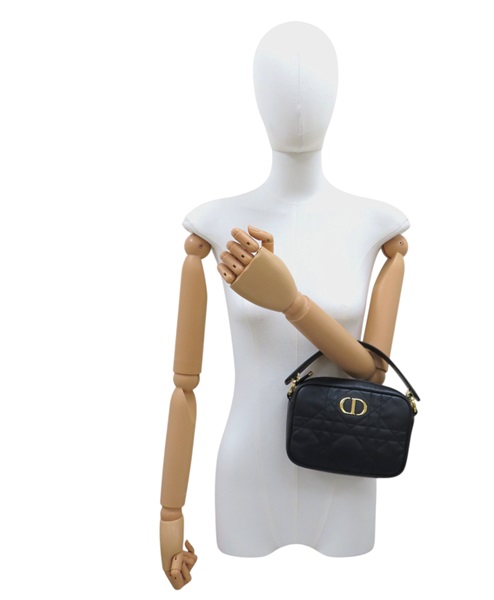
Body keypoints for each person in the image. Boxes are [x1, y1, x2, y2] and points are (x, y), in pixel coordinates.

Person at [159, 21, 411, 589]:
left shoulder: (376, 226)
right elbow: (184, 386)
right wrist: (170, 514)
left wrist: (291, 301)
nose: (297, 99)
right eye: (280, 82)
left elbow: (371, 372)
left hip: (345, 470)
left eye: (311, 81)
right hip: (247, 475)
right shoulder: (215, 224)